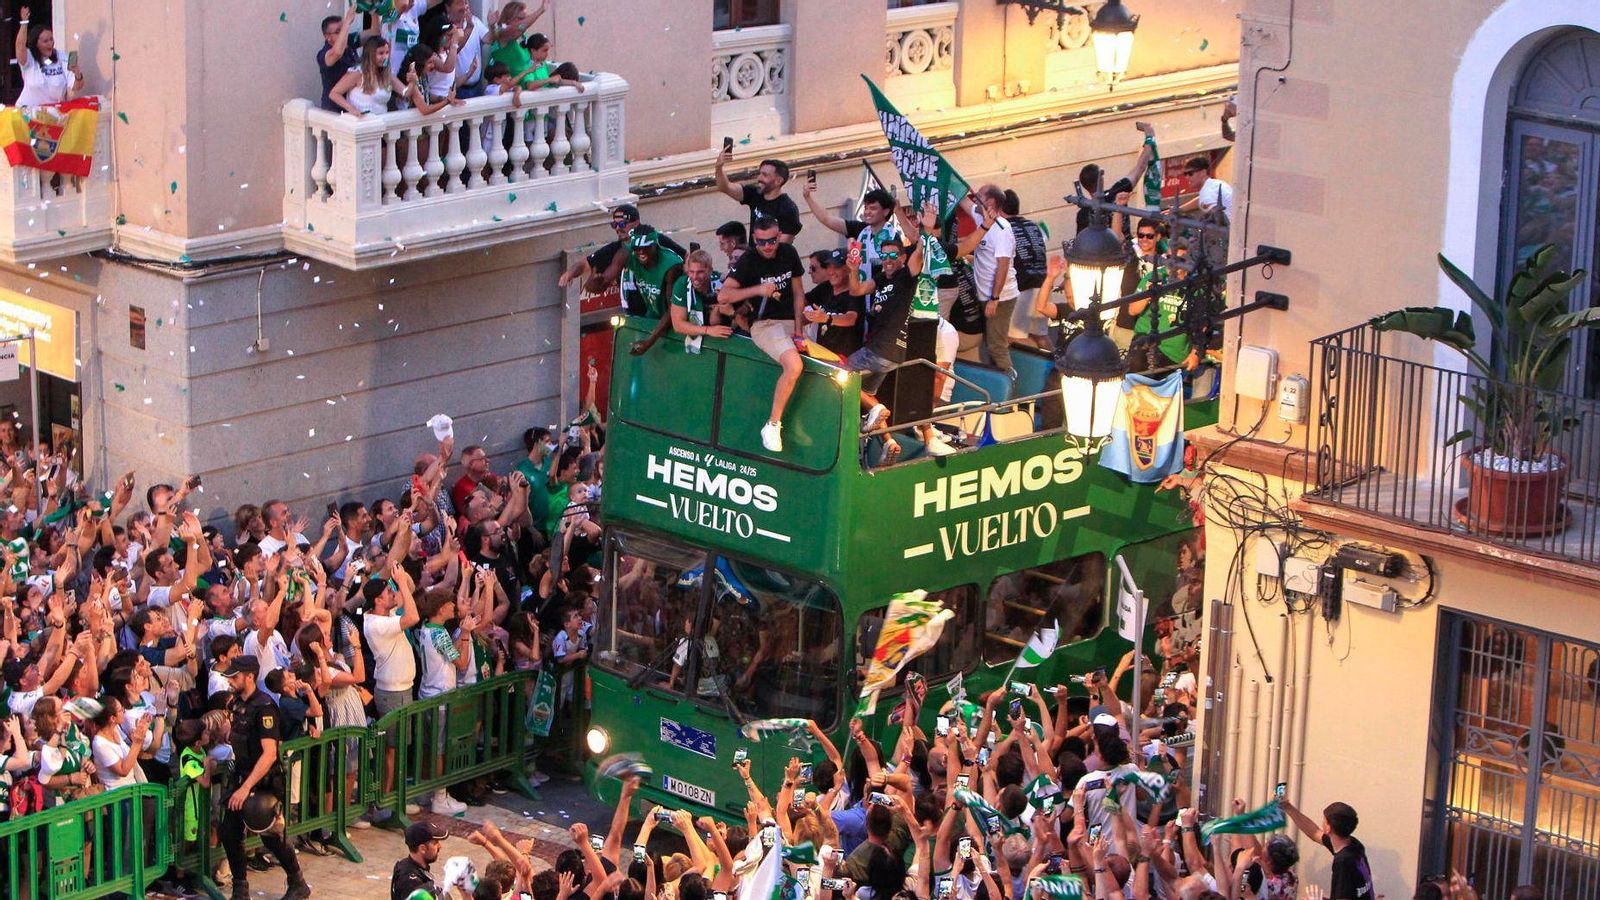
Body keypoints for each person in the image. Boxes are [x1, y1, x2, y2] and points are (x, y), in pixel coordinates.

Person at [217, 655, 309, 900]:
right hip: (243, 776)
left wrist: (246, 789)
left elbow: (269, 754)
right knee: (229, 831)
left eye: (235, 677)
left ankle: (298, 882)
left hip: (264, 781)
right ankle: (240, 888)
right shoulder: (237, 703)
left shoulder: (265, 707)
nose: (231, 681)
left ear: (250, 676)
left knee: (269, 834)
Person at [717, 217, 807, 452]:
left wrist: (799, 329)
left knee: (822, 365)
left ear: (779, 237)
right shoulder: (748, 260)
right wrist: (758, 289)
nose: (768, 246)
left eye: (772, 240)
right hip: (765, 324)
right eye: (762, 241)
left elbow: (798, 292)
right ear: (754, 240)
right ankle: (772, 424)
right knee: (794, 366)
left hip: (791, 322)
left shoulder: (789, 253)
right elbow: (723, 296)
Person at [957, 185, 1021, 379]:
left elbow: (1003, 266)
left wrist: (994, 298)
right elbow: (963, 200)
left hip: (1000, 297)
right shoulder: (981, 218)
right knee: (992, 343)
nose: (975, 197)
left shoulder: (1002, 230)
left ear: (990, 203)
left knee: (996, 346)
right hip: (985, 293)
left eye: (980, 194)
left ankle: (1009, 388)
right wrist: (961, 185)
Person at [1280, 798, 1374, 900]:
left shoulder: (1343, 861)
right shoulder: (1353, 844)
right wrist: (1288, 807)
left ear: (1328, 828)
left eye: (1324, 820)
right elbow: (1314, 832)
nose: (1322, 822)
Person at [803, 184, 902, 276]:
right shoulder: (860, 229)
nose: (867, 212)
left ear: (885, 212)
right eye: (866, 208)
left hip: (881, 291)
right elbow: (827, 219)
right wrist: (808, 197)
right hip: (858, 289)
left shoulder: (893, 236)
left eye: (873, 208)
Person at [714, 150, 803, 243]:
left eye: (765, 175)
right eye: (760, 173)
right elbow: (725, 187)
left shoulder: (788, 208)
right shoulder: (755, 194)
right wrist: (718, 167)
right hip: (753, 255)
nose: (759, 178)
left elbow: (783, 246)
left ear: (778, 181)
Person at [669, 249, 736, 353]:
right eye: (691, 272)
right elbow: (678, 325)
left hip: (723, 343)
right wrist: (708, 330)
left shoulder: (722, 283)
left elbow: (732, 322)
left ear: (710, 270)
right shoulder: (682, 285)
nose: (695, 277)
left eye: (700, 272)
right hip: (701, 340)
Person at [14, 7, 82, 108]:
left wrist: (77, 73)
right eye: (45, 41)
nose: (50, 43)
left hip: (53, 115)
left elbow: (76, 87)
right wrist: (24, 22)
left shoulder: (62, 57)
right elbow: (20, 45)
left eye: (51, 39)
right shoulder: (29, 58)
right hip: (26, 113)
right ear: (36, 44)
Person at [803, 249, 865, 359]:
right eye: (828, 267)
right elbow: (802, 301)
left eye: (836, 267)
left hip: (844, 360)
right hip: (821, 355)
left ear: (847, 269)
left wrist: (827, 318)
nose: (831, 272)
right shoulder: (826, 287)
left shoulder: (855, 292)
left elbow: (851, 318)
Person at [317, 5, 365, 112]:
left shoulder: (350, 41)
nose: (343, 33)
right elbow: (337, 53)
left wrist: (374, 9)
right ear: (327, 37)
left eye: (343, 29)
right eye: (339, 31)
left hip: (352, 107)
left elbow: (374, 32)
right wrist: (347, 22)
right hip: (333, 110)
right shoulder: (323, 54)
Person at [394, 821, 448, 900]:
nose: (440, 846)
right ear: (422, 848)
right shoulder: (413, 884)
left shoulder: (405, 864)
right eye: (435, 843)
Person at [1181, 154, 1234, 222]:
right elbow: (1201, 200)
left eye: (1190, 173)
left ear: (1203, 172)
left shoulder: (1206, 193)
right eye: (1185, 174)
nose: (1187, 177)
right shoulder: (1216, 183)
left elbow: (1219, 216)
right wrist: (1180, 209)